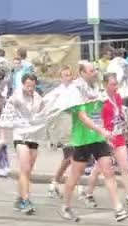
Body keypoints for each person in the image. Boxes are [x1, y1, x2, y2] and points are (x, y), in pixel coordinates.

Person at [57, 61, 128, 223]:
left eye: (95, 69)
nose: (95, 72)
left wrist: (106, 131)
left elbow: (100, 111)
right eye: (91, 70)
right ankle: (66, 206)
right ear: (82, 73)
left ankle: (118, 209)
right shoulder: (76, 90)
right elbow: (82, 116)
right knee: (75, 175)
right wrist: (101, 130)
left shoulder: (96, 88)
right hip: (82, 139)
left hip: (98, 139)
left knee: (108, 172)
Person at [83, 73, 128, 208]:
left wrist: (126, 129)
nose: (115, 87)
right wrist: (102, 136)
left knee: (125, 167)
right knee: (98, 169)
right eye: (112, 84)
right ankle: (88, 193)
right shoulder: (100, 100)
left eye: (116, 84)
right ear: (105, 84)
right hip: (106, 138)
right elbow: (96, 120)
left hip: (118, 136)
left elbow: (120, 115)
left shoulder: (117, 97)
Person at [5, 74, 44, 214]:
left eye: (32, 85)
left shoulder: (38, 98)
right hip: (20, 135)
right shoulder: (16, 97)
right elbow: (6, 114)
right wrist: (3, 136)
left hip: (33, 136)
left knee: (28, 170)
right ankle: (26, 200)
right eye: (27, 85)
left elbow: (42, 115)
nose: (30, 88)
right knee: (25, 168)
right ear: (22, 84)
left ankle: (19, 197)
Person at [48, 65, 75, 199]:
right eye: (65, 75)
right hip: (64, 126)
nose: (68, 78)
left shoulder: (75, 89)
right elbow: (48, 106)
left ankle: (54, 183)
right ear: (61, 77)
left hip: (75, 125)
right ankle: (57, 183)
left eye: (69, 75)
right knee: (70, 157)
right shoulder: (57, 92)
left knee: (70, 159)